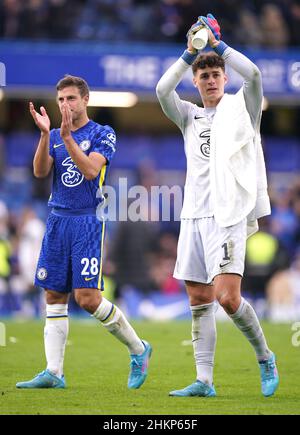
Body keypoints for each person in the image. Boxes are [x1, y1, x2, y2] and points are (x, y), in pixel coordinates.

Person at [156, 14, 279, 398]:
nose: (210, 80)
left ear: (224, 79)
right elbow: (162, 91)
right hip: (192, 217)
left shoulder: (243, 107)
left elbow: (256, 74)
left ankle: (265, 356)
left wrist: (218, 44)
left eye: (215, 75)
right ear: (195, 81)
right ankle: (204, 381)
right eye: (203, 75)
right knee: (199, 300)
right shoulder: (189, 116)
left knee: (228, 298)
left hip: (227, 216)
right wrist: (190, 52)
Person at [16, 75, 151, 389]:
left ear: (85, 100)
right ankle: (54, 372)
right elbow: (39, 171)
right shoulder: (53, 135)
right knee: (53, 295)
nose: (65, 104)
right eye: (61, 99)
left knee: (88, 298)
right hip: (57, 219)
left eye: (71, 99)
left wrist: (65, 138)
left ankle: (139, 349)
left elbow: (91, 171)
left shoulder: (103, 133)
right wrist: (44, 135)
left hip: (88, 220)